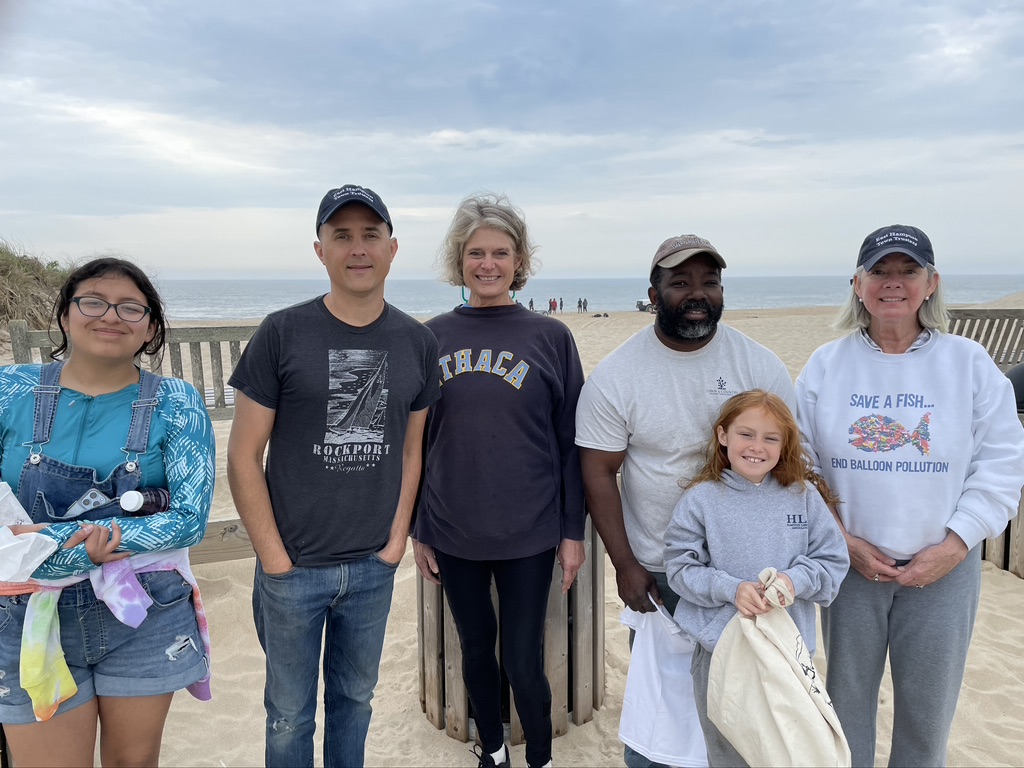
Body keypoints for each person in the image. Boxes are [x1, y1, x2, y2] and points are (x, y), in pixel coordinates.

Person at [227, 185, 440, 768]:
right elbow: (244, 456)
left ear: (393, 248)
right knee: (289, 714)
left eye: (370, 234)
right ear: (319, 249)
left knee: (355, 700)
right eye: (341, 235)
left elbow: (411, 453)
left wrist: (396, 542)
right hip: (293, 568)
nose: (357, 248)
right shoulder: (282, 332)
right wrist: (273, 557)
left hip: (372, 567)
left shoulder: (418, 342)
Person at [795, 224, 1024, 767]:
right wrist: (843, 540)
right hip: (850, 568)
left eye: (908, 271)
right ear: (857, 283)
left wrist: (954, 544)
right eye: (879, 271)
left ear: (932, 283)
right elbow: (801, 466)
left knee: (927, 716)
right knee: (844, 710)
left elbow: (1001, 464)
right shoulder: (825, 365)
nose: (892, 283)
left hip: (944, 570)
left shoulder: (970, 364)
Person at [575, 234, 796, 768]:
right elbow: (599, 472)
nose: (697, 294)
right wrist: (625, 565)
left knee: (744, 715)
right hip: (662, 572)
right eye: (680, 283)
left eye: (709, 282)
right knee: (661, 718)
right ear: (653, 293)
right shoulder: (617, 376)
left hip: (747, 571)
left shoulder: (760, 366)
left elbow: (790, 466)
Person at [0, 257, 214, 767]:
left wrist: (96, 534)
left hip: (143, 610)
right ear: (65, 315)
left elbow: (189, 518)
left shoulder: (178, 402)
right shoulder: (10, 389)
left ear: (151, 329)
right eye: (93, 301)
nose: (110, 316)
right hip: (26, 613)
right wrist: (67, 555)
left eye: (130, 307)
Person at [412, 193, 586, 768]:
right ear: (458, 261)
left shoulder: (550, 337)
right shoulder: (430, 337)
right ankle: (492, 751)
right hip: (453, 528)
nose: (488, 264)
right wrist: (419, 527)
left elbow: (569, 443)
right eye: (476, 252)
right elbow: (416, 442)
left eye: (501, 253)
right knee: (476, 652)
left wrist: (572, 531)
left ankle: (539, 756)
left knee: (523, 657)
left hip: (530, 532)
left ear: (520, 260)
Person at [664, 390, 848, 766]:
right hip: (723, 651)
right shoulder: (701, 500)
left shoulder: (803, 496)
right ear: (722, 435)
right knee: (729, 753)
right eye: (746, 434)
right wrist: (731, 589)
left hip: (789, 651)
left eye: (770, 438)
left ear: (785, 445)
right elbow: (681, 569)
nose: (756, 447)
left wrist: (795, 580)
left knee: (788, 752)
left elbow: (832, 560)